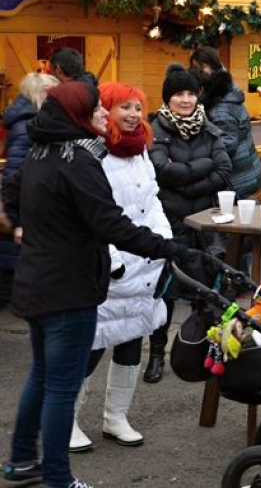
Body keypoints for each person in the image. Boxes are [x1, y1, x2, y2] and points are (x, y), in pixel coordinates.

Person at [1, 81, 188, 488]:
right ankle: (56, 477)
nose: (105, 114)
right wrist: (168, 248)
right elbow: (110, 223)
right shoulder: (79, 160)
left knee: (42, 377)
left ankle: (21, 461)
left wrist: (26, 226)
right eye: (97, 110)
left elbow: (13, 192)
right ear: (77, 116)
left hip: (37, 283)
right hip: (68, 289)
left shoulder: (41, 151)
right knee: (61, 388)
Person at [69, 83, 173, 453]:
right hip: (108, 269)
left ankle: (116, 417)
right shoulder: (93, 154)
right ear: (105, 111)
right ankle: (67, 421)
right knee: (91, 344)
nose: (132, 114)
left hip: (145, 262)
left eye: (137, 107)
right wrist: (111, 262)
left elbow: (153, 200)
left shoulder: (141, 150)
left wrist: (164, 242)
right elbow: (90, 215)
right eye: (123, 107)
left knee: (131, 337)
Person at [144, 64, 232, 383]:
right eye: (179, 94)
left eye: (190, 93)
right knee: (163, 291)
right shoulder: (156, 128)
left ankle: (202, 354)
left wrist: (186, 183)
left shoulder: (208, 127)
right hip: (168, 222)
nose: (185, 99)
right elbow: (161, 172)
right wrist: (203, 167)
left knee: (206, 290)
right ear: (168, 99)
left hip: (203, 225)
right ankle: (156, 354)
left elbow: (224, 171)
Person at [0, 73, 58, 311]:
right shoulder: (27, 125)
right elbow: (16, 174)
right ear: (41, 93)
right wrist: (18, 220)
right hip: (24, 208)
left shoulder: (29, 120)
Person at [189, 47, 261, 198]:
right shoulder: (228, 92)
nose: (198, 73)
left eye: (202, 67)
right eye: (194, 68)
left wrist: (194, 158)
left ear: (214, 67)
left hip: (238, 181)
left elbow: (225, 146)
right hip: (248, 173)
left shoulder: (220, 109)